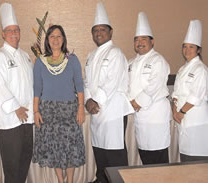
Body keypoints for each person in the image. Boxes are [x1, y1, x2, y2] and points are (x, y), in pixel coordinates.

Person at [84, 2, 134, 183]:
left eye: (102, 29)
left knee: (115, 154)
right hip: (96, 114)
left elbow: (111, 82)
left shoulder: (116, 53)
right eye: (95, 30)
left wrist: (95, 101)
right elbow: (87, 82)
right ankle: (101, 180)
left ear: (110, 32)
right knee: (100, 152)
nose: (98, 33)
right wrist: (88, 99)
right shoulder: (90, 55)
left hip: (112, 112)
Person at [32, 24, 85, 183]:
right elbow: (37, 89)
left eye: (59, 36)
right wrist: (36, 111)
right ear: (47, 40)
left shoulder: (72, 60)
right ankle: (60, 181)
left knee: (70, 147)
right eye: (52, 36)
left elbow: (79, 85)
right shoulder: (40, 62)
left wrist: (81, 108)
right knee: (54, 147)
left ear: (63, 39)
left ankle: (70, 180)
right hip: (48, 110)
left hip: (69, 109)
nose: (55, 39)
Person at [0, 3, 34, 183]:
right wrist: (16, 108)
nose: (14, 34)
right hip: (10, 121)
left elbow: (31, 86)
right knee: (11, 167)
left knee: (24, 162)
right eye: (10, 31)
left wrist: (32, 110)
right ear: (3, 34)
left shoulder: (25, 56)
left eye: (16, 30)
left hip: (27, 119)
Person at [128, 12, 171, 165]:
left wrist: (137, 102)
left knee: (158, 158)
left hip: (155, 115)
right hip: (140, 117)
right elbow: (125, 84)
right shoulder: (131, 62)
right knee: (145, 155)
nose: (139, 42)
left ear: (152, 42)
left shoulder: (158, 60)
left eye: (143, 39)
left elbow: (155, 84)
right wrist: (129, 102)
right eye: (136, 39)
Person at [172, 20, 208, 162]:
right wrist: (175, 110)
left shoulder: (201, 69)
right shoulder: (182, 69)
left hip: (195, 119)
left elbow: (196, 95)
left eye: (191, 47)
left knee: (197, 160)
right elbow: (175, 93)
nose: (187, 50)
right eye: (185, 47)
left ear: (198, 49)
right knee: (186, 157)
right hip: (182, 118)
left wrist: (181, 113)